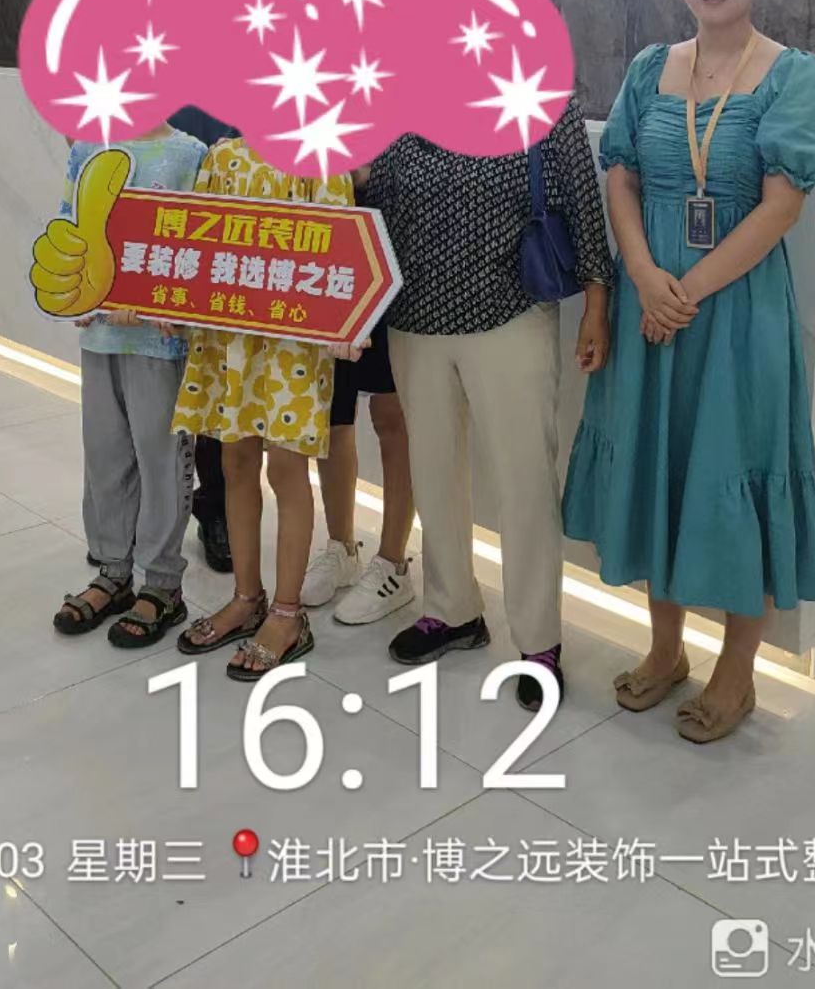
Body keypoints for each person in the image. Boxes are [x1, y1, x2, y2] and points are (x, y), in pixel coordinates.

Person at [563, 0, 815, 744]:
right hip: (653, 302)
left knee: (733, 468)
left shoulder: (796, 78)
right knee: (660, 466)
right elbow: (619, 176)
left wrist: (682, 292)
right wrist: (645, 276)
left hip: (736, 313)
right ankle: (665, 648)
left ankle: (737, 672)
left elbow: (780, 207)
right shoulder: (651, 67)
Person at [364, 108, 613, 711]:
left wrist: (597, 304)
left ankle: (539, 641)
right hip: (413, 315)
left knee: (524, 478)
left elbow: (583, 200)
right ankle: (452, 609)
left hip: (511, 310)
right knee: (433, 471)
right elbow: (371, 193)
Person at [171, 138, 354, 678]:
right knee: (234, 461)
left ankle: (287, 613)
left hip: (293, 339)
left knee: (287, 468)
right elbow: (196, 237)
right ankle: (246, 597)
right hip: (231, 330)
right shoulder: (222, 156)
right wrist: (175, 300)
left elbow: (341, 247)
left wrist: (345, 319)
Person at [43, 122, 206, 646]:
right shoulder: (89, 148)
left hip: (159, 342)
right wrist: (72, 290)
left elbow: (202, 242)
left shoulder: (190, 154)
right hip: (100, 335)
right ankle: (113, 571)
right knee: (104, 453)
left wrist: (173, 306)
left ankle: (162, 584)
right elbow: (68, 222)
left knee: (162, 460)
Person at [301, 300, 417, 623]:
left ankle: (392, 563)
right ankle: (342, 549)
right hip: (333, 283)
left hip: (390, 287)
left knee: (391, 414)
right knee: (332, 410)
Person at [169, 106, 241, 576]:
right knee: (160, 398)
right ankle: (140, 519)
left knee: (219, 389)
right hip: (165, 234)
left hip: (231, 244)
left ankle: (216, 509)